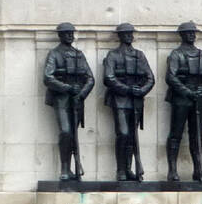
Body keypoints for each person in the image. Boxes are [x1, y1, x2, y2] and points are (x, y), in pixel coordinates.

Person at [102, 23, 155, 182]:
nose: (129, 36)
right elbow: (109, 78)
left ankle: (129, 169)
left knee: (132, 136)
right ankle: (120, 170)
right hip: (119, 99)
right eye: (125, 33)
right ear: (120, 36)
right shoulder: (113, 55)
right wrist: (127, 90)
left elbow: (150, 78)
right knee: (123, 134)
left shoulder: (140, 55)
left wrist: (142, 90)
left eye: (130, 33)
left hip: (136, 100)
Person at [164, 22, 202, 182]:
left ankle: (199, 169)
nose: (192, 35)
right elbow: (170, 76)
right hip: (181, 98)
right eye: (188, 32)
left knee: (197, 135)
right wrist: (187, 92)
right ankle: (172, 170)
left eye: (193, 32)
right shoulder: (176, 54)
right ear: (182, 35)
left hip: (199, 98)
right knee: (176, 134)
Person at [43, 22, 94, 181]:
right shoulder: (54, 54)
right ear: (60, 35)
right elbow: (48, 78)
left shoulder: (79, 55)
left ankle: (72, 168)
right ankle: (65, 168)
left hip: (77, 100)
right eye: (66, 33)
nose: (70, 36)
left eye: (71, 33)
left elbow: (90, 78)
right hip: (61, 99)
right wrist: (66, 88)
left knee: (73, 134)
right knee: (65, 131)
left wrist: (82, 93)